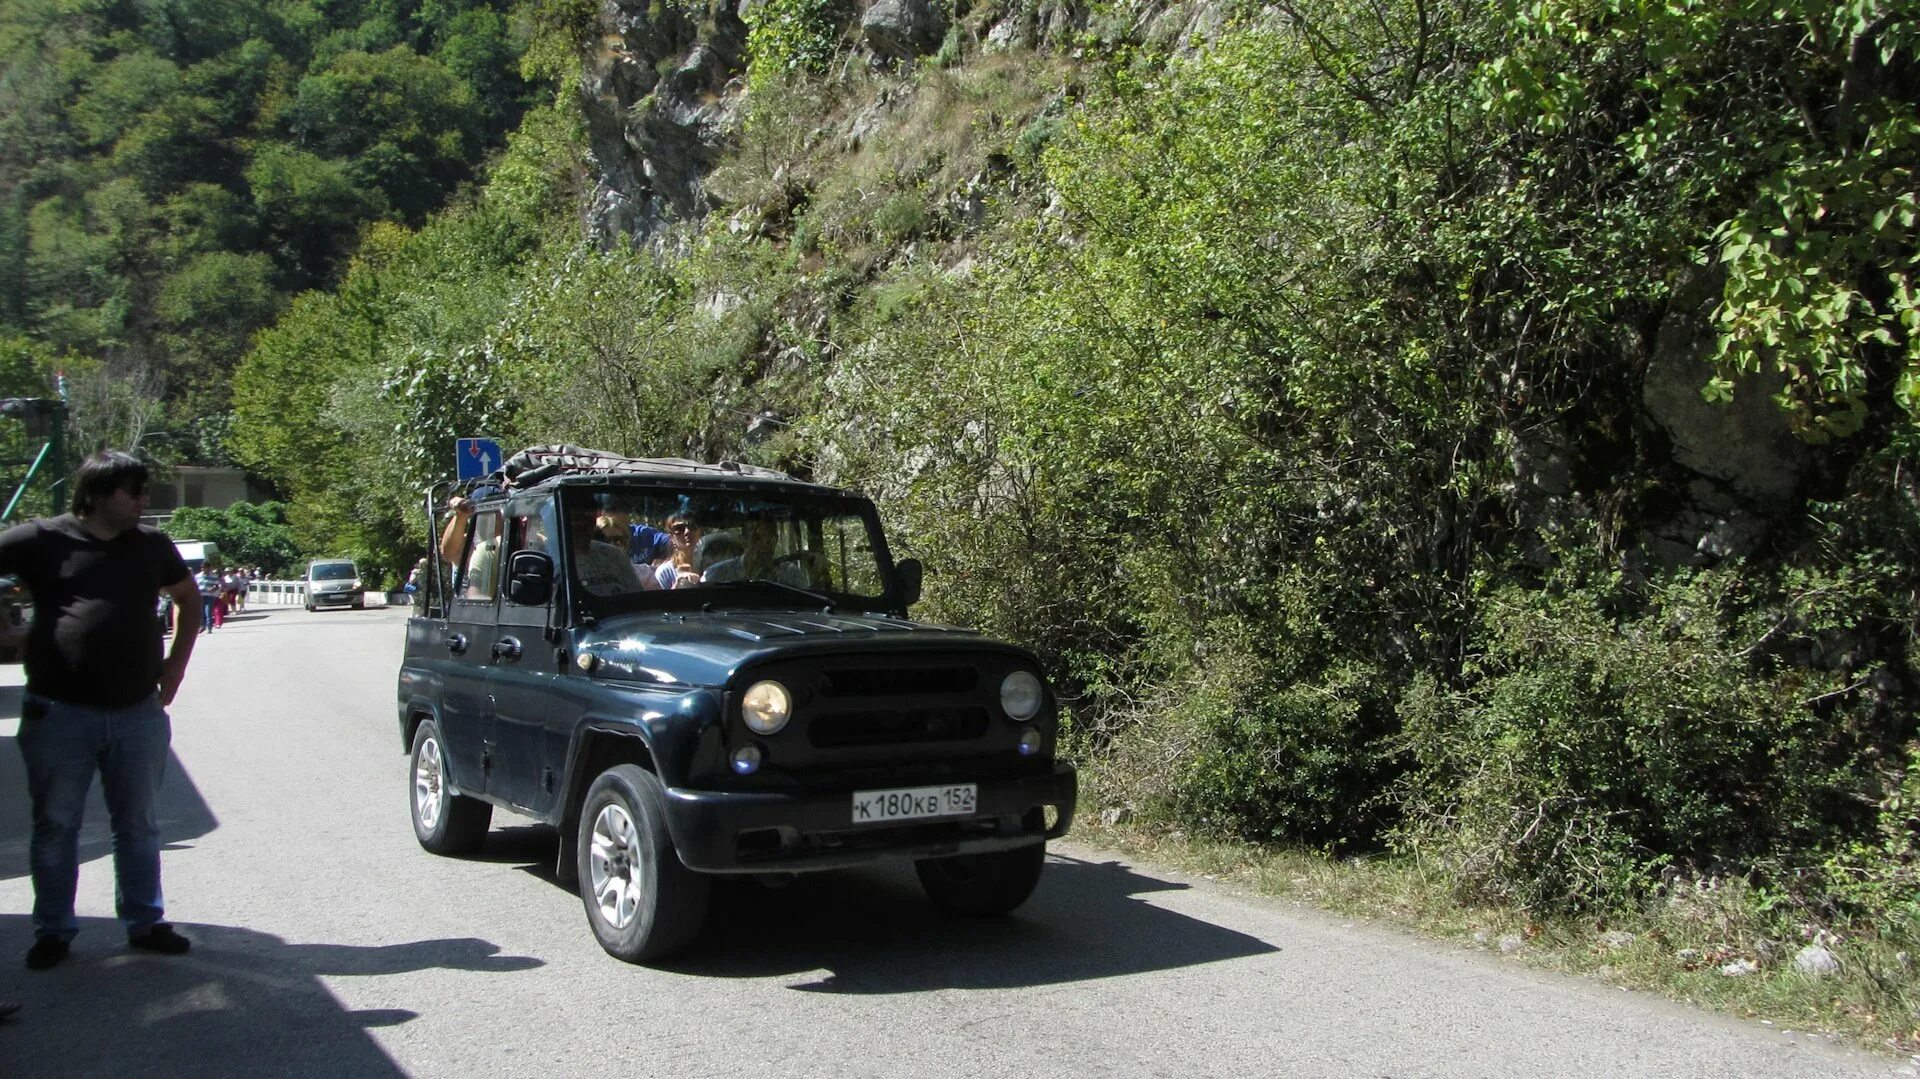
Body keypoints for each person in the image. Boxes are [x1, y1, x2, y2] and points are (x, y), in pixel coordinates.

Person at [0, 451, 202, 970]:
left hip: (138, 712)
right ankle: (53, 931)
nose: (143, 501)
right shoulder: (39, 540)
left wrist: (175, 666)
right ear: (95, 495)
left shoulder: (151, 546)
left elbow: (187, 598)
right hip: (59, 712)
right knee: (56, 824)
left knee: (138, 824)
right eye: (132, 492)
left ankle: (145, 922)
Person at [196, 564, 222, 630]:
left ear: (209, 568)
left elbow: (217, 586)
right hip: (200, 596)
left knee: (208, 612)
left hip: (210, 596)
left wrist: (213, 589)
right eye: (202, 567)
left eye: (205, 567)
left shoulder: (214, 576)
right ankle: (202, 626)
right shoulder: (197, 576)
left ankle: (209, 627)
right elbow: (195, 586)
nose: (203, 568)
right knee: (201, 612)